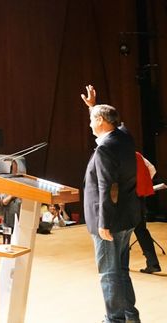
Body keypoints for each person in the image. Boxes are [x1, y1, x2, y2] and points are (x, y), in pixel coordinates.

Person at [80, 86, 141, 322]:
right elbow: (115, 121)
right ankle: (130, 316)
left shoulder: (105, 148)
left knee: (108, 273)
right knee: (121, 271)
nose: (90, 124)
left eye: (93, 120)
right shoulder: (125, 137)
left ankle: (114, 319)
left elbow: (107, 187)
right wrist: (93, 106)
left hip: (109, 221)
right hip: (127, 217)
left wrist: (103, 224)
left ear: (102, 121)